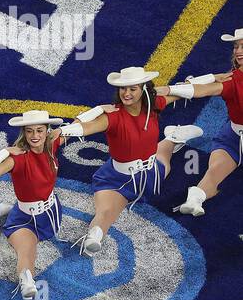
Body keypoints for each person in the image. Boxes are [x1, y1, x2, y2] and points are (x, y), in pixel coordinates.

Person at [57, 66, 200, 254]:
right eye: (123, 88)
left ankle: (172, 137)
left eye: (133, 89)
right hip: (116, 177)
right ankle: (94, 236)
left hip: (150, 171)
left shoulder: (153, 105)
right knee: (106, 212)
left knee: (164, 159)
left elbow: (187, 92)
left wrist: (208, 80)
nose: (127, 93)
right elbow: (84, 128)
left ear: (143, 90)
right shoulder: (113, 116)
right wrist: (61, 132)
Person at [0, 110, 67, 300]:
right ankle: (26, 280)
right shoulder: (17, 158)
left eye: (39, 130)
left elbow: (79, 127)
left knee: (34, 243)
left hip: (51, 213)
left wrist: (104, 109)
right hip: (24, 220)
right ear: (24, 132)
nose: (35, 136)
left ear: (47, 131)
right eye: (29, 131)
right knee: (28, 250)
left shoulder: (52, 143)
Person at [175, 28, 243, 215]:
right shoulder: (232, 80)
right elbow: (204, 91)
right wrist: (174, 89)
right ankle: (194, 198)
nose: (238, 51)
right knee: (213, 172)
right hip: (234, 138)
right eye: (236, 46)